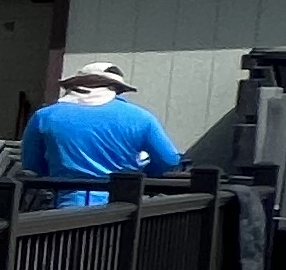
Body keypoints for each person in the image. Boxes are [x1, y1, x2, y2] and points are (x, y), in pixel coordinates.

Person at [16, 61, 181, 207]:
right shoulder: (141, 117)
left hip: (67, 204)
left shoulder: (45, 116)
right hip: (123, 206)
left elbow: (32, 164)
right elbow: (169, 159)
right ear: (116, 88)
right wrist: (142, 174)